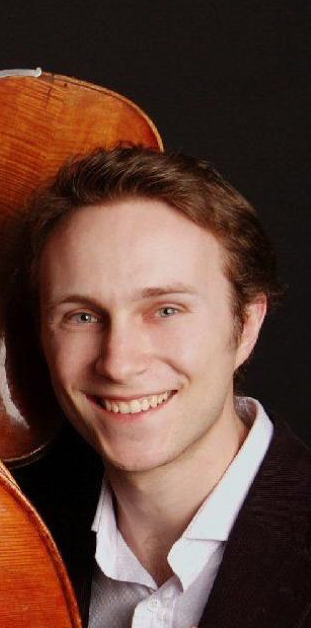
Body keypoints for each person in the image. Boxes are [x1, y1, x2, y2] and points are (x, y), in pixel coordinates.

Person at [24, 146, 310, 626]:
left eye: (166, 310)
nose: (119, 362)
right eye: (83, 316)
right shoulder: (4, 533)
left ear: (246, 325)